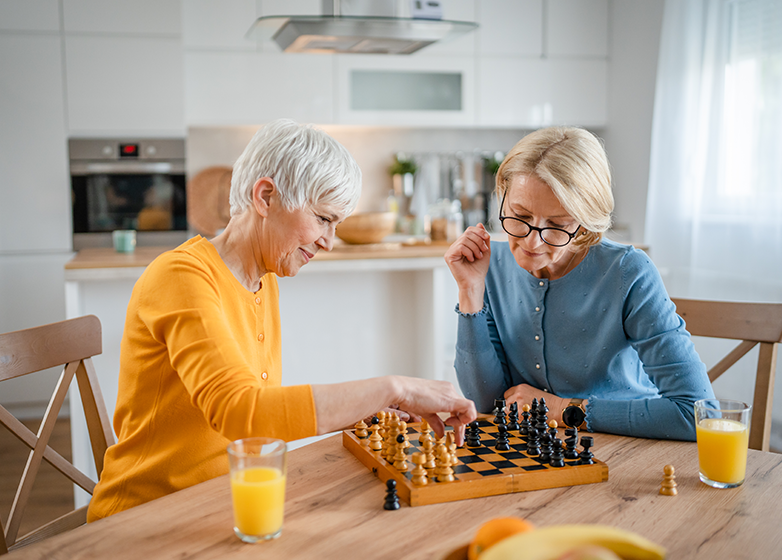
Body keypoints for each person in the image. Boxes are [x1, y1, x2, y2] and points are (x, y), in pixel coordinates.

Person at [88, 119, 476, 522]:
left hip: (227, 502)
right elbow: (241, 412)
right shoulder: (181, 277)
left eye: (336, 224)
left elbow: (260, 410)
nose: (328, 241)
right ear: (266, 197)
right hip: (144, 518)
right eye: (323, 219)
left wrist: (370, 406)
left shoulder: (263, 278)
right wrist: (394, 387)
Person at [445, 126, 713, 441]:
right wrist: (470, 291)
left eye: (557, 225)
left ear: (585, 223)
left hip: (627, 451)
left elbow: (698, 413)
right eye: (519, 215)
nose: (532, 241)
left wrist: (562, 410)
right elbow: (487, 402)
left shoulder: (628, 272)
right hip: (533, 452)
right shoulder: (490, 264)